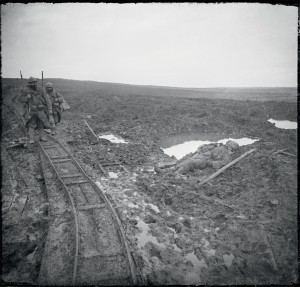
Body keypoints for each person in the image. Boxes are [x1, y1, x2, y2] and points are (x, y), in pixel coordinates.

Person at [155, 140, 239, 174]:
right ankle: (169, 170)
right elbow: (205, 146)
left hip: (205, 162)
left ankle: (173, 174)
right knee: (187, 160)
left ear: (231, 148)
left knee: (190, 163)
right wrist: (205, 148)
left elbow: (223, 163)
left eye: (228, 145)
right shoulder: (218, 145)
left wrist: (210, 163)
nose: (226, 145)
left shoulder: (227, 154)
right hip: (202, 156)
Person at [18, 77, 54, 143]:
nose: (33, 84)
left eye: (34, 82)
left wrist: (50, 109)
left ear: (36, 82)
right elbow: (19, 99)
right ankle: (31, 139)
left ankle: (42, 137)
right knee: (31, 125)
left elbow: (47, 100)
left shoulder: (41, 89)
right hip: (32, 112)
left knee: (41, 124)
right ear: (29, 83)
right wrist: (27, 98)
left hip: (41, 111)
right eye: (31, 83)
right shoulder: (26, 90)